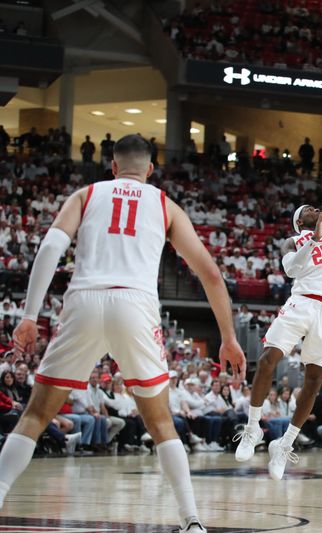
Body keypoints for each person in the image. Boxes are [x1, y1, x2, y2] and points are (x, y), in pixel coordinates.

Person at [0, 135, 246, 533]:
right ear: (150, 170)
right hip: (135, 304)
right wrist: (229, 339)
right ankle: (192, 521)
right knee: (161, 422)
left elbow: (48, 249)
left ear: (112, 167)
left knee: (35, 415)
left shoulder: (86, 194)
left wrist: (30, 315)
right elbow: (211, 274)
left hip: (83, 300)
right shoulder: (165, 205)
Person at [234, 116, 322, 481]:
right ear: (300, 222)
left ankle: (284, 443)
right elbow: (289, 270)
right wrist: (312, 239)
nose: (318, 210)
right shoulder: (296, 241)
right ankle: (253, 427)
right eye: (310, 212)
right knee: (269, 359)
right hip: (303, 302)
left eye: (318, 209)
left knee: (315, 380)